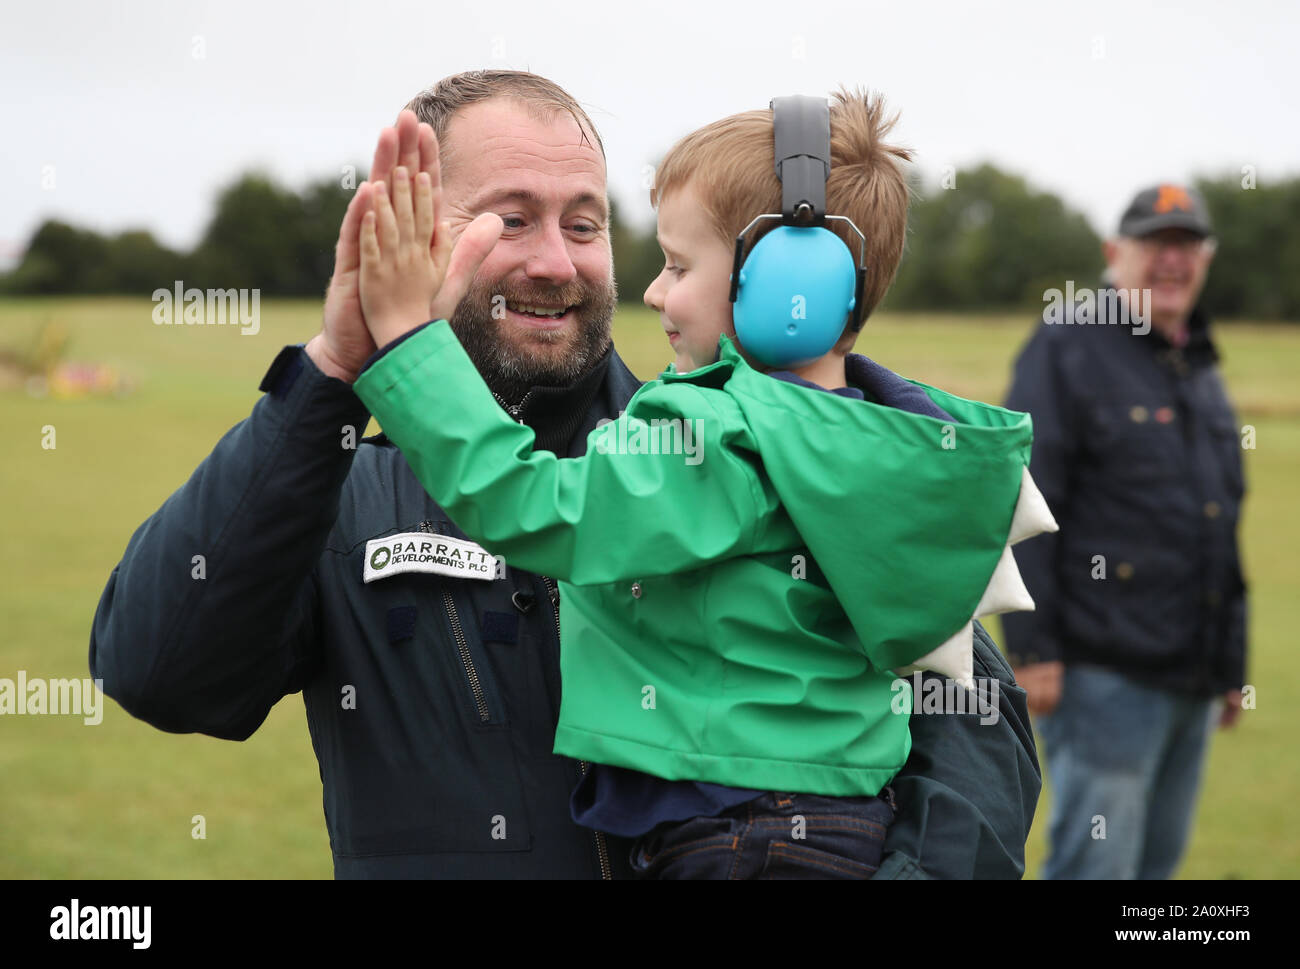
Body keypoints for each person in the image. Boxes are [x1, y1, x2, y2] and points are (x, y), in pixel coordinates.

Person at [90, 70, 1040, 879]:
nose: (556, 260)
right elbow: (159, 671)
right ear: (410, 237)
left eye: (584, 224)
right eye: (511, 219)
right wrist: (334, 373)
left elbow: (974, 709)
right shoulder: (336, 493)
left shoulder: (753, 449)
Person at [1001, 184, 1248, 879]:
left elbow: (1219, 518)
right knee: (1096, 866)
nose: (1173, 261)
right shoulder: (1066, 346)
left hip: (1190, 678)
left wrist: (1228, 663)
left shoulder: (1198, 363)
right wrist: (1033, 646)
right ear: (1115, 254)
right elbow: (1023, 498)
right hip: (1098, 673)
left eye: (1188, 245)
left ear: (1205, 258)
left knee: (1154, 872)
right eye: (1155, 244)